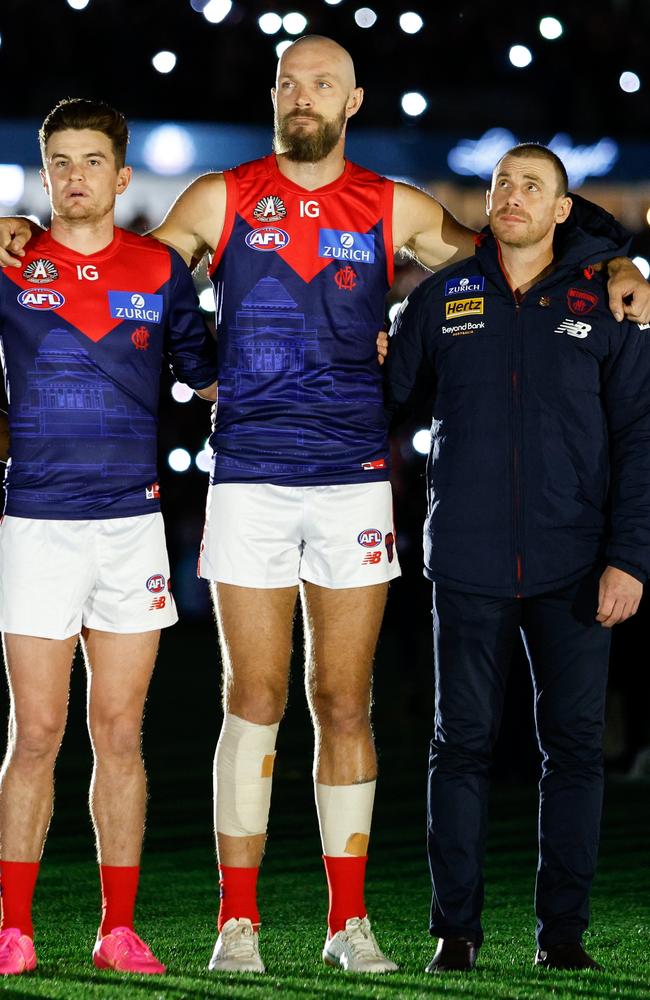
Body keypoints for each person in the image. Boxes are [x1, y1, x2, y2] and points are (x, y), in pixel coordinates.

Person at [1, 37, 649, 976]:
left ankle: (348, 924)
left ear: (352, 103)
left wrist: (616, 256)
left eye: (321, 85)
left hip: (352, 481)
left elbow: (516, 243)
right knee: (251, 700)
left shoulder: (394, 207)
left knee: (345, 702)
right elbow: (117, 263)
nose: (301, 97)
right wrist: (23, 227)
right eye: (287, 82)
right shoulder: (220, 198)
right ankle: (238, 924)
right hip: (249, 481)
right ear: (274, 97)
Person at [385, 143, 650, 973]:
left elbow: (641, 438)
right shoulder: (442, 297)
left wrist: (630, 559)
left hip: (576, 567)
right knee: (457, 747)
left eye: (533, 185)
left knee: (572, 751)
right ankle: (455, 932)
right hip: (465, 561)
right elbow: (388, 409)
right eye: (502, 183)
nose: (513, 195)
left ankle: (561, 935)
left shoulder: (611, 302)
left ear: (562, 210)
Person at [0, 98, 218, 976]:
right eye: (62, 161)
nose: (77, 176)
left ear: (122, 176)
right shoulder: (11, 264)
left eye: (94, 160)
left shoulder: (159, 271)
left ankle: (116, 928)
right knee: (38, 732)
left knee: (119, 734)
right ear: (45, 173)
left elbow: (210, 380)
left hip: (131, 527)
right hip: (37, 526)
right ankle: (13, 927)